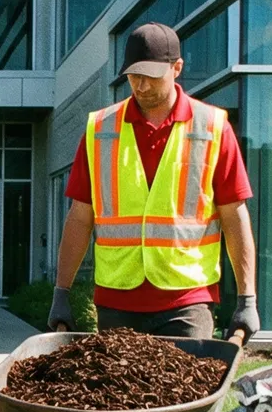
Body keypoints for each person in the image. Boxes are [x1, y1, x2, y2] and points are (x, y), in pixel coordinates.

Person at [48, 22, 259, 342]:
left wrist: (247, 300)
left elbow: (234, 216)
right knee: (117, 392)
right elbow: (80, 217)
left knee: (186, 392)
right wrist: (61, 292)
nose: (141, 86)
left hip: (186, 300)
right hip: (116, 299)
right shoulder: (101, 129)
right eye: (134, 76)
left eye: (151, 76)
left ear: (177, 68)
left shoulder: (212, 128)